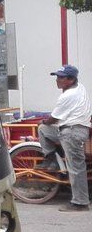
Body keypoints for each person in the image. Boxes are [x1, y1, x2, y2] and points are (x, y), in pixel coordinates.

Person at [39, 63, 92, 212]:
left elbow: (53, 119)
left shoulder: (68, 96)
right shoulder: (79, 87)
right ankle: (51, 159)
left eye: (61, 78)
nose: (57, 80)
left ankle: (80, 203)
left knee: (76, 168)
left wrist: (44, 120)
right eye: (57, 77)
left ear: (70, 79)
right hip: (72, 129)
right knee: (43, 130)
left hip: (72, 132)